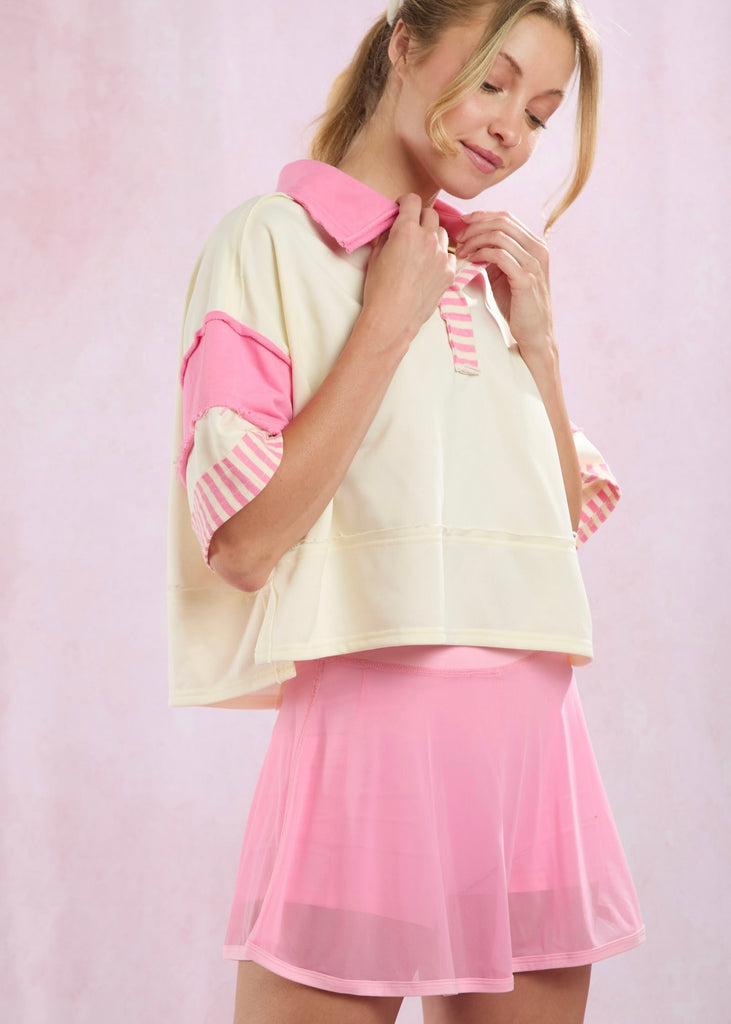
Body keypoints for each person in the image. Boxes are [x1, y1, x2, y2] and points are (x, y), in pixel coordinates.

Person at [167, 1, 646, 1021]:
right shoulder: (270, 242)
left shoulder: (481, 273)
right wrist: (383, 322)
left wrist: (539, 345)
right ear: (403, 40)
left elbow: (551, 531)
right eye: (492, 81)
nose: (511, 128)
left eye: (540, 112)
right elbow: (243, 545)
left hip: (532, 744)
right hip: (369, 745)